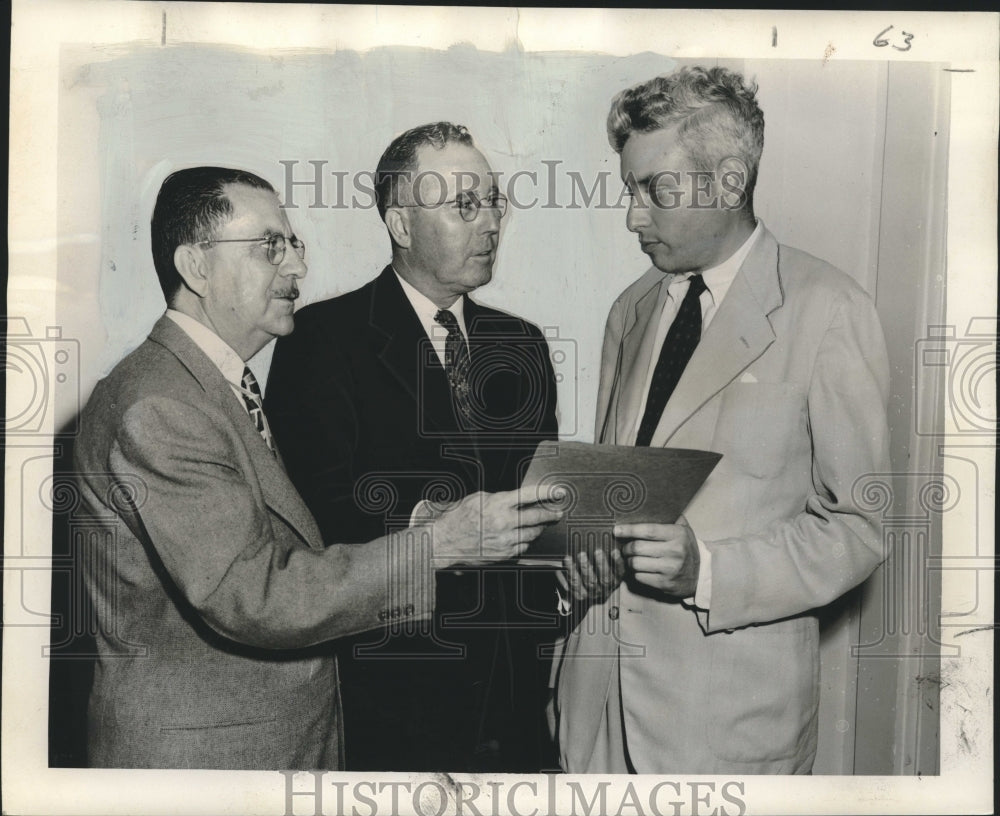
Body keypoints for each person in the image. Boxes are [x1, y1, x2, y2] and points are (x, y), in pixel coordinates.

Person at [72, 166, 559, 770]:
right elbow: (255, 596)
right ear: (195, 266)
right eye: (269, 247)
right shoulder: (161, 407)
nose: (297, 267)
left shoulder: (204, 387)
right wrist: (437, 545)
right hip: (208, 762)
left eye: (293, 244)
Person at [552, 67, 891, 774]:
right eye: (629, 191)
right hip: (596, 713)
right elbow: (623, 494)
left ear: (731, 182)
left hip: (726, 728)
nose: (632, 218)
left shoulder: (830, 308)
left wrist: (708, 573)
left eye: (654, 192)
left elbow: (860, 528)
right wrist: (585, 556)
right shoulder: (632, 308)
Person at [265, 123, 561, 772]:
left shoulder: (523, 344)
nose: (490, 225)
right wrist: (433, 528)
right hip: (389, 701)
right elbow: (313, 517)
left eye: (493, 204)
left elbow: (538, 510)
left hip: (513, 705)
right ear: (400, 223)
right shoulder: (321, 339)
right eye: (464, 206)